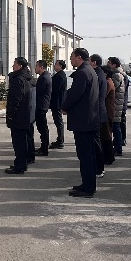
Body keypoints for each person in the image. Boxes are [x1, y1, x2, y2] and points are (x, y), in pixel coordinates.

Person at [62, 48, 100, 197]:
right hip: (88, 119)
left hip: (84, 121)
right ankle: (86, 184)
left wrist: (65, 106)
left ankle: (88, 188)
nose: (70, 59)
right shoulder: (89, 70)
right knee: (86, 155)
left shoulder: (83, 73)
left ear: (79, 57)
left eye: (72, 57)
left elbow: (75, 94)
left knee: (86, 156)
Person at [5, 57, 36, 175]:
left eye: (15, 64)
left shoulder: (18, 80)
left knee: (19, 143)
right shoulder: (28, 78)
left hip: (19, 116)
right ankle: (22, 163)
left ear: (20, 66)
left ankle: (20, 166)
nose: (13, 66)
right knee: (23, 141)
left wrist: (10, 115)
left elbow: (16, 100)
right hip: (26, 114)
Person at [89, 54, 115, 172]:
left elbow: (100, 96)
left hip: (105, 112)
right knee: (105, 137)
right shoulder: (105, 79)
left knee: (104, 137)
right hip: (105, 111)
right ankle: (107, 158)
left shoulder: (105, 81)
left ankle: (106, 159)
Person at [108, 57, 129, 148]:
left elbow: (112, 88)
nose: (108, 64)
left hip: (117, 103)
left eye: (109, 63)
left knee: (116, 125)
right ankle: (119, 142)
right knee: (118, 124)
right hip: (119, 102)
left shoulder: (117, 75)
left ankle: (119, 145)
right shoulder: (120, 73)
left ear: (114, 65)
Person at [34, 60, 53, 156]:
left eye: (36, 66)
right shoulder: (45, 76)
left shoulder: (44, 78)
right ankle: (43, 147)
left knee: (42, 127)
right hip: (42, 105)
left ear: (41, 67)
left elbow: (38, 91)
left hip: (41, 105)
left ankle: (44, 149)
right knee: (42, 127)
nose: (35, 68)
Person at [49, 59, 68, 149]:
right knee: (57, 121)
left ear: (60, 66)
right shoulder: (59, 75)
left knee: (58, 121)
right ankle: (59, 139)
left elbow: (55, 89)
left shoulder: (60, 76)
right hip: (57, 101)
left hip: (57, 102)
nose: (54, 66)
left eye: (56, 64)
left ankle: (60, 140)